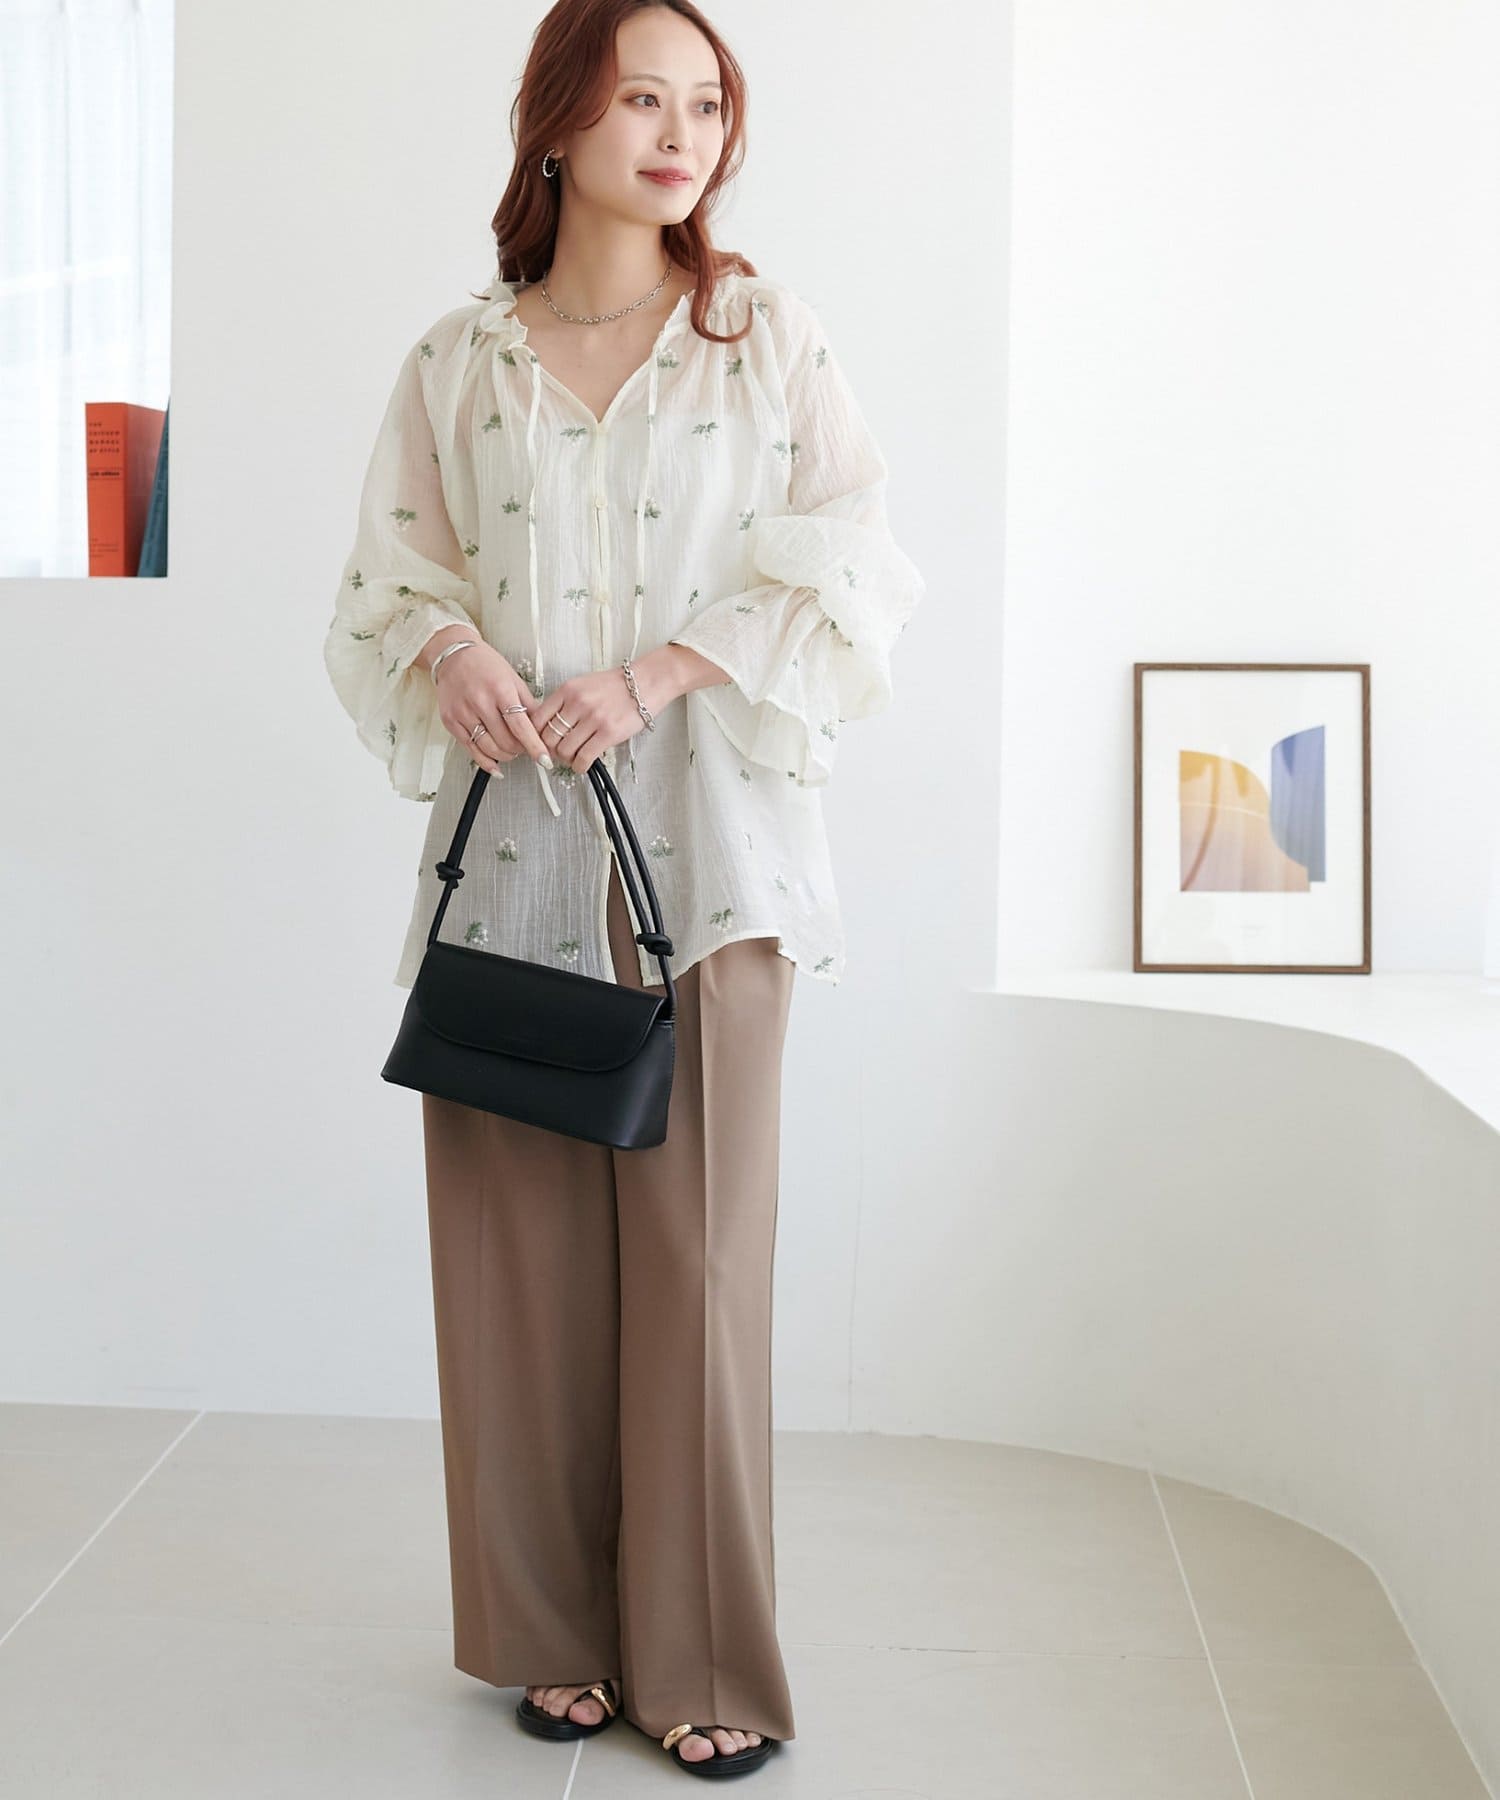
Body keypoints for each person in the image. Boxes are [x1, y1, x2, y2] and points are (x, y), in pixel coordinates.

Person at [323, 0, 923, 1778]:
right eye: (642, 98)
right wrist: (450, 653)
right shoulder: (458, 361)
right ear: (559, 119)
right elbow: (387, 580)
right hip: (509, 868)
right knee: (514, 1274)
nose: (680, 134)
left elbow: (854, 560)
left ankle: (705, 1656)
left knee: (700, 1265)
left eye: (707, 104)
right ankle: (549, 1633)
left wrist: (658, 674)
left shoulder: (761, 339)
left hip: (710, 866)